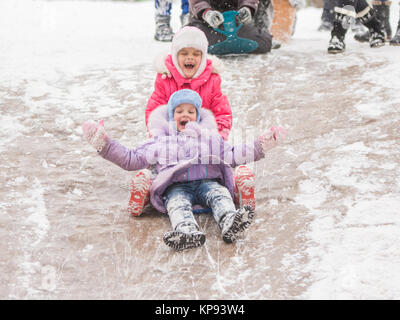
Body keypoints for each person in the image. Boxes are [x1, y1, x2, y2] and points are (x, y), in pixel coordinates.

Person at [82, 89, 286, 250]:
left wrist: (262, 144)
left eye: (191, 111)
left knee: (221, 195)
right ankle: (187, 232)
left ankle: (230, 221)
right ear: (172, 117)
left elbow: (235, 154)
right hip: (176, 187)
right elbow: (130, 159)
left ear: (197, 117)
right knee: (177, 205)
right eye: (179, 111)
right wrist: (104, 144)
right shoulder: (161, 142)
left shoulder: (209, 138)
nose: (185, 114)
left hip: (208, 181)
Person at [187, 0, 273, 53]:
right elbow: (197, 2)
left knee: (263, 43)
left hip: (236, 17)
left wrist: (248, 7)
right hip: (206, 20)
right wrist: (206, 13)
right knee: (190, 43)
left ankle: (262, 30)